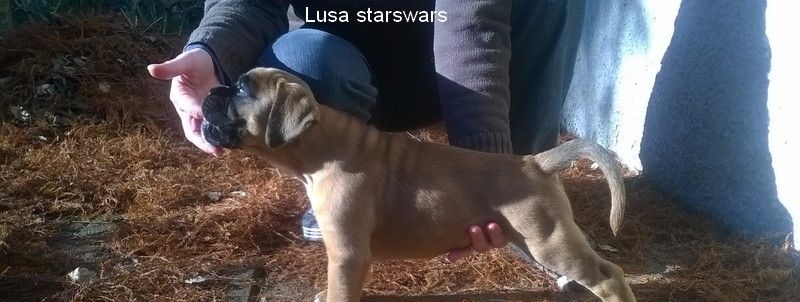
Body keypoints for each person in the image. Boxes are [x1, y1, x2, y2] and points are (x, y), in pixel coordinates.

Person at [148, 0, 586, 262]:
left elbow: (470, 16)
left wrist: (488, 175)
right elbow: (252, 2)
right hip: (336, 75)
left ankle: (526, 192)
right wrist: (210, 49)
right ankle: (338, 194)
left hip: (446, 68)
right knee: (306, 57)